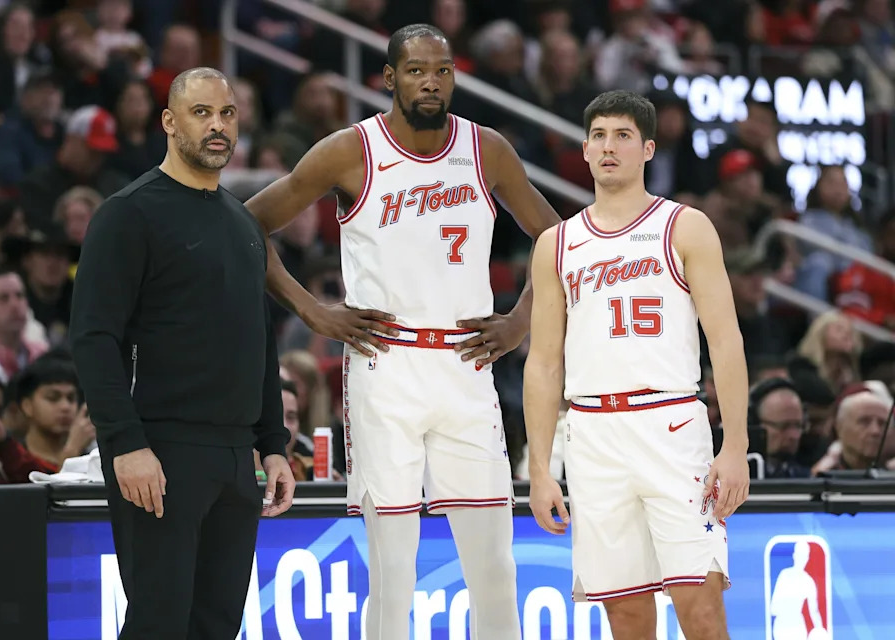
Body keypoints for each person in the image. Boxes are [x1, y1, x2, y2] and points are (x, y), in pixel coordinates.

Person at [243, 23, 560, 640]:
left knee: (494, 566)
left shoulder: (486, 148)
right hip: (385, 368)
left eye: (442, 71)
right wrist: (313, 311)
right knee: (393, 573)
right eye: (416, 70)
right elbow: (247, 224)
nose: (431, 82)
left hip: (467, 370)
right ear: (389, 77)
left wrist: (522, 319)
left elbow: (558, 241)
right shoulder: (350, 150)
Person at [69, 67, 295, 640]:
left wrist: (272, 446)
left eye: (227, 113)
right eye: (201, 113)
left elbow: (258, 340)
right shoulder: (129, 213)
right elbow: (95, 337)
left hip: (235, 456)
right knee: (159, 623)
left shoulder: (244, 223)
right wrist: (125, 442)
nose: (217, 126)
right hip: (161, 450)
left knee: (217, 625)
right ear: (169, 122)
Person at [523, 90, 750, 639]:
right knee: (623, 615)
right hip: (593, 435)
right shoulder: (557, 243)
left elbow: (725, 341)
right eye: (599, 135)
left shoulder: (685, 226)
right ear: (583, 149)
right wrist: (538, 470)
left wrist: (736, 446)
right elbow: (543, 364)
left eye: (623, 136)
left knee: (700, 605)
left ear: (648, 148)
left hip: (670, 426)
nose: (609, 147)